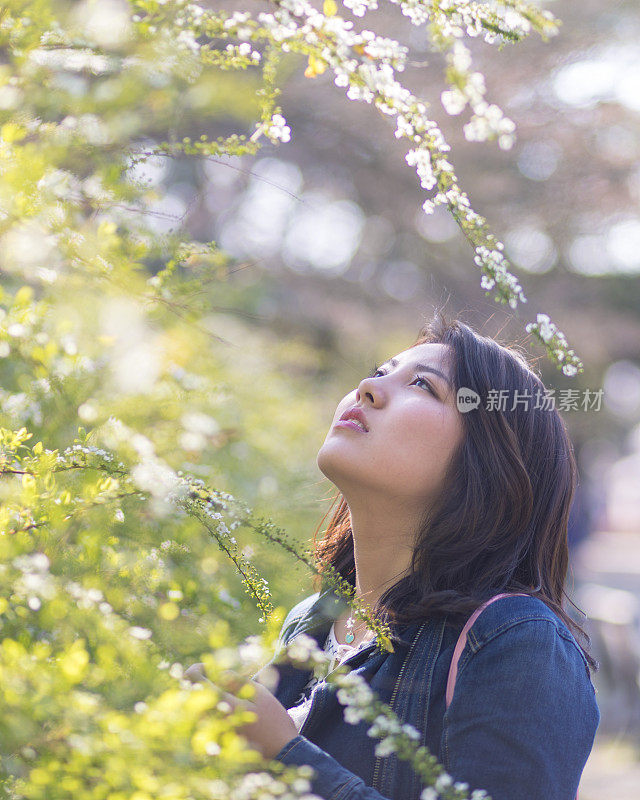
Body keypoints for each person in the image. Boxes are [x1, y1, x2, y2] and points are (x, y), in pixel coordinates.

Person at [187, 314, 601, 800]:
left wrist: (286, 755)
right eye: (381, 372)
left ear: (490, 460)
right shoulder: (313, 624)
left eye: (423, 386)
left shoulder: (515, 642)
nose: (367, 387)